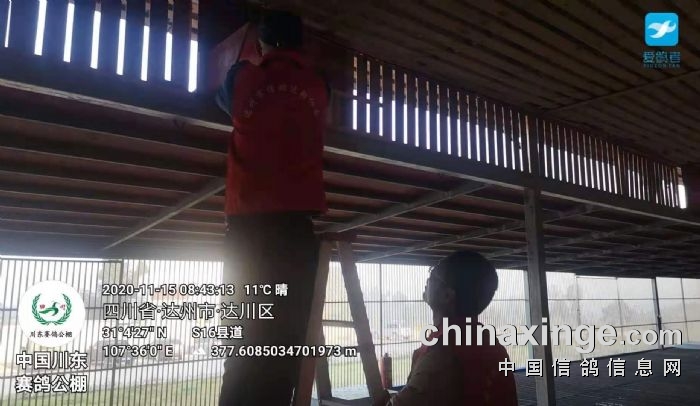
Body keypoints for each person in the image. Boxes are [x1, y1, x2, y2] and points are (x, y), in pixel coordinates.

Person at [213, 9, 329, 406]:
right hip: (297, 231)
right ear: (301, 44)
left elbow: (224, 100)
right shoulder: (318, 85)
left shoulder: (243, 77)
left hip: (249, 230)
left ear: (261, 44)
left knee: (244, 338)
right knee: (289, 336)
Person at [374, 251, 519, 405]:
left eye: (433, 275)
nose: (427, 280)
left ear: (447, 296)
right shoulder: (489, 343)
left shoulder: (443, 353)